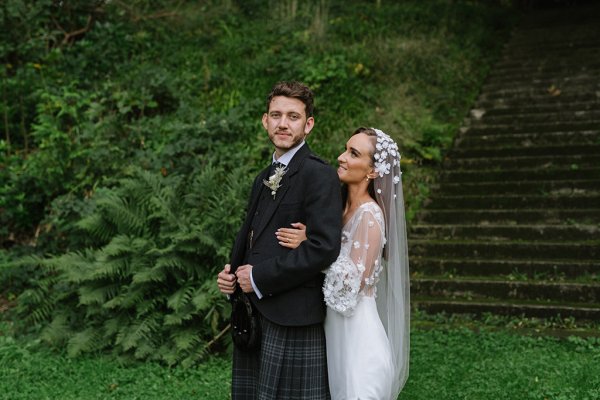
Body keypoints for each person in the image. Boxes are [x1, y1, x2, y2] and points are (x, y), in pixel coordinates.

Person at [216, 81, 342, 399]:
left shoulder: (319, 175)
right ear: (265, 120)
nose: (283, 123)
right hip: (254, 313)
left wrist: (257, 277)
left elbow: (323, 247)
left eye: (293, 116)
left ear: (308, 124)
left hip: (293, 315)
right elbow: (253, 234)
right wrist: (234, 273)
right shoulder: (263, 176)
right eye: (276, 115)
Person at [276, 127, 410, 399]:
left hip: (360, 346)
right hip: (337, 339)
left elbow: (349, 288)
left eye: (353, 153)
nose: (341, 157)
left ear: (372, 171)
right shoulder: (337, 210)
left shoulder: (370, 216)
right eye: (345, 149)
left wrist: (313, 245)